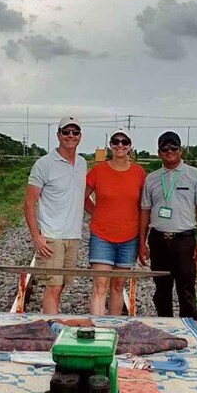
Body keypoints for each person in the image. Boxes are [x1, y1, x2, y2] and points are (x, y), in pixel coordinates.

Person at [138, 131, 197, 320]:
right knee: (162, 287)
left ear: (181, 150)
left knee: (186, 286)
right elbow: (145, 210)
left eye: (173, 147)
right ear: (159, 152)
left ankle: (191, 327)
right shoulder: (152, 178)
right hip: (158, 239)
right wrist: (141, 242)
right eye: (165, 148)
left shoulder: (195, 175)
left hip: (184, 239)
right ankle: (166, 325)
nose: (169, 151)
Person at [24, 116, 87, 314]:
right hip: (52, 236)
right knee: (52, 286)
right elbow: (28, 203)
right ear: (58, 135)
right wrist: (37, 237)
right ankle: (50, 326)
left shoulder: (82, 163)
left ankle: (53, 320)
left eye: (75, 132)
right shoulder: (44, 164)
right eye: (66, 132)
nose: (71, 136)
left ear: (80, 136)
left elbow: (82, 197)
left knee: (61, 285)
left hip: (73, 236)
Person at [84, 128, 146, 315]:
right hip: (102, 236)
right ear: (110, 145)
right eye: (116, 141)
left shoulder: (138, 172)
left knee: (118, 286)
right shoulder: (98, 171)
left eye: (124, 142)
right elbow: (82, 197)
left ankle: (112, 330)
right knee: (100, 286)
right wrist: (97, 212)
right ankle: (97, 331)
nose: (120, 145)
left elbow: (144, 205)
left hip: (129, 237)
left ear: (130, 147)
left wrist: (143, 239)